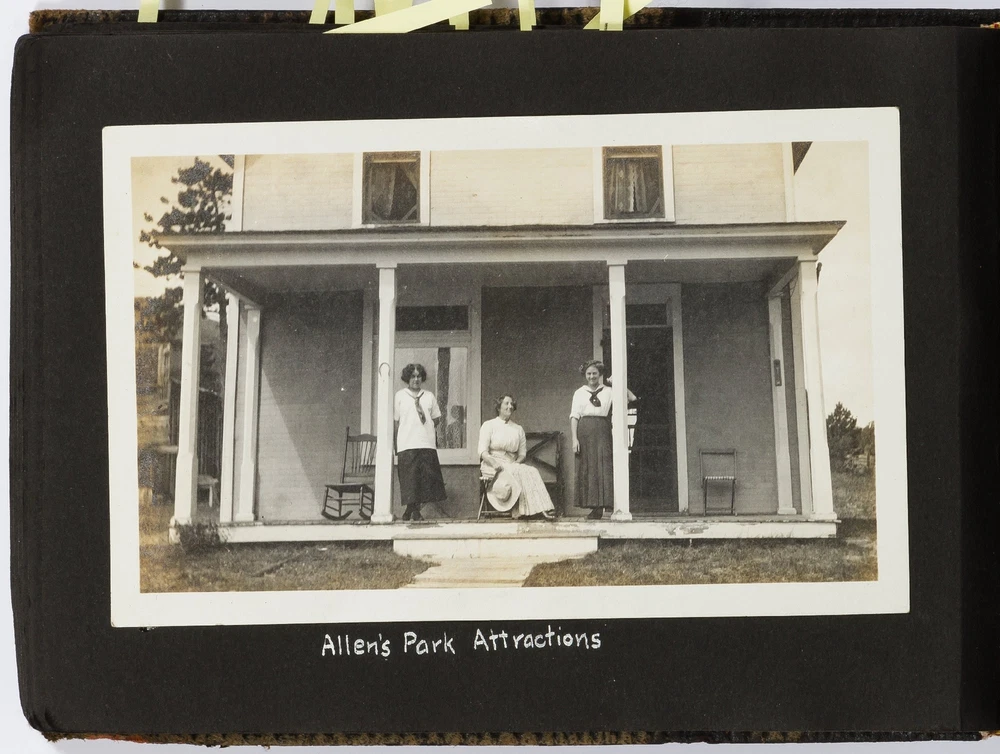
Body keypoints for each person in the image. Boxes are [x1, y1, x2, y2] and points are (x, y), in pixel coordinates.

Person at [570, 359, 636, 520]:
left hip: (602, 430)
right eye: (588, 374)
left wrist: (618, 384)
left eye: (594, 373)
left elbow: (632, 398)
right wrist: (574, 439)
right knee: (588, 467)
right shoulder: (579, 393)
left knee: (603, 466)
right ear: (585, 375)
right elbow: (574, 417)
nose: (592, 376)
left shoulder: (609, 391)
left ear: (600, 374)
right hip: (584, 432)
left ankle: (602, 506)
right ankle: (594, 507)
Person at [478, 394, 556, 520]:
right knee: (519, 471)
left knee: (532, 470)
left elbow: (522, 454)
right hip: (492, 465)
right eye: (506, 403)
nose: (510, 406)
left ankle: (541, 508)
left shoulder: (518, 429)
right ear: (498, 407)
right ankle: (535, 510)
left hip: (511, 464)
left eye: (512, 404)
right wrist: (494, 463)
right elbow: (482, 451)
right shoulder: (489, 425)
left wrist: (516, 462)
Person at [394, 363, 447, 521]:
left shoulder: (429, 396)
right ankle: (413, 510)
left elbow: (436, 418)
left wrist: (424, 428)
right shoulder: (400, 396)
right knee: (409, 480)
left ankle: (411, 510)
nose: (416, 379)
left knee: (424, 480)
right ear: (407, 378)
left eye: (418, 376)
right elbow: (396, 421)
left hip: (425, 443)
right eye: (412, 376)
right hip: (407, 443)